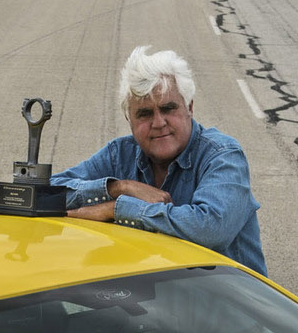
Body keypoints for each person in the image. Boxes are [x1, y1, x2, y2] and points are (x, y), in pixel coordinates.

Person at [52, 46, 266, 274]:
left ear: (190, 107)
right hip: (156, 300)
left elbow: (211, 229)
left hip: (227, 302)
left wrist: (118, 209)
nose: (158, 122)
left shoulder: (221, 155)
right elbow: (41, 193)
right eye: (144, 113)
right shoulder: (120, 155)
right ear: (129, 119)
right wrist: (119, 187)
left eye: (168, 108)